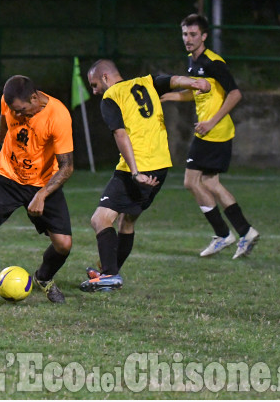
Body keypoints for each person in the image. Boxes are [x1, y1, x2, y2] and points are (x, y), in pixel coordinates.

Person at [79, 59, 212, 292]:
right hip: (160, 166)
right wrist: (197, 83)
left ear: (106, 78)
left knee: (100, 219)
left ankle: (109, 275)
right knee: (127, 221)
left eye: (95, 84)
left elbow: (120, 135)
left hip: (138, 167)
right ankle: (111, 272)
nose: (94, 91)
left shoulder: (112, 97)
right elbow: (173, 80)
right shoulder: (147, 82)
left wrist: (135, 172)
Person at [0, 75, 74, 307]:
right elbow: (3, 126)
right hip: (7, 176)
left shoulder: (58, 115)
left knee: (63, 244)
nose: (19, 115)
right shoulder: (10, 101)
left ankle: (43, 278)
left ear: (34, 97)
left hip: (42, 182)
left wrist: (41, 195)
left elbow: (67, 167)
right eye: (15, 111)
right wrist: (3, 139)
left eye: (22, 110)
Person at [162, 13, 260, 259]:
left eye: (193, 34)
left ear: (204, 36)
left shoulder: (214, 62)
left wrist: (210, 121)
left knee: (191, 182)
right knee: (210, 183)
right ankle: (244, 232)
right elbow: (193, 93)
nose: (188, 38)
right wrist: (166, 96)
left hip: (213, 132)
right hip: (212, 132)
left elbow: (235, 94)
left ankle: (223, 234)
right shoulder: (192, 62)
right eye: (185, 34)